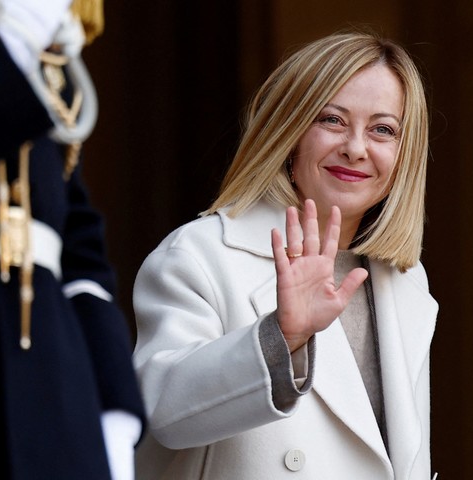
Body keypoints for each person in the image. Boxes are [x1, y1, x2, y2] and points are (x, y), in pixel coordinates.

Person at [132, 31, 439, 480]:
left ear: (402, 159)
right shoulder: (201, 254)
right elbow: (162, 413)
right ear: (290, 134)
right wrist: (280, 337)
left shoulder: (406, 280)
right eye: (332, 120)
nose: (356, 147)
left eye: (383, 129)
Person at [0, 0, 145, 478]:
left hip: (52, 383)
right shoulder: (16, 36)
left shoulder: (47, 56)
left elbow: (76, 245)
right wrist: (11, 46)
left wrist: (113, 406)